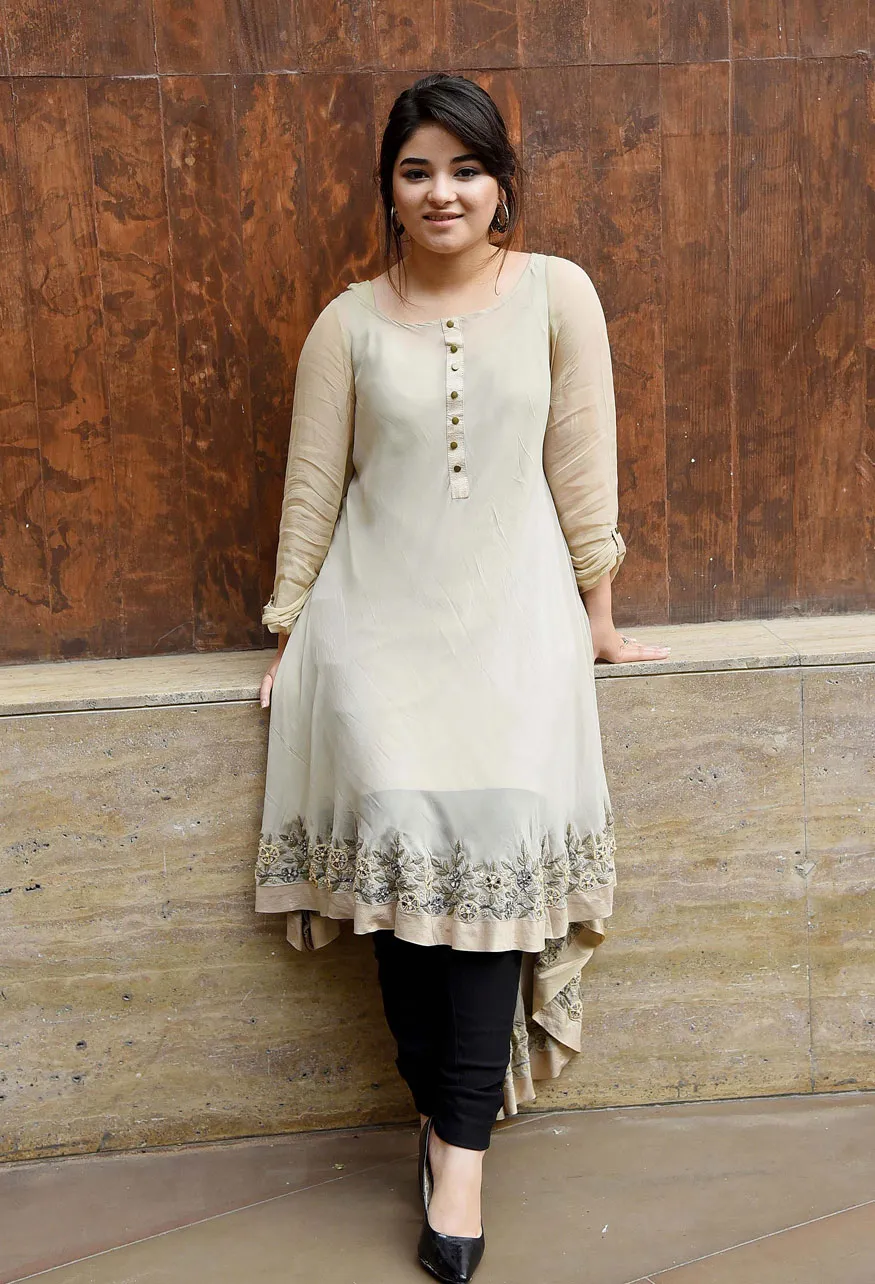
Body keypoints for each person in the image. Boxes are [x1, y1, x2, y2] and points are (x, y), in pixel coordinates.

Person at [255, 71, 670, 1283]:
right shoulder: (344, 325)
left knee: (491, 859)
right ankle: (442, 1120)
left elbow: (580, 459)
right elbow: (311, 490)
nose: (442, 192)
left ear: (500, 185)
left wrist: (597, 618)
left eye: (466, 169)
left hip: (514, 631)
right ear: (388, 191)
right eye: (417, 171)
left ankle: (460, 1154)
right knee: (398, 856)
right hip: (375, 631)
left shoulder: (555, 294)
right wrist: (289, 636)